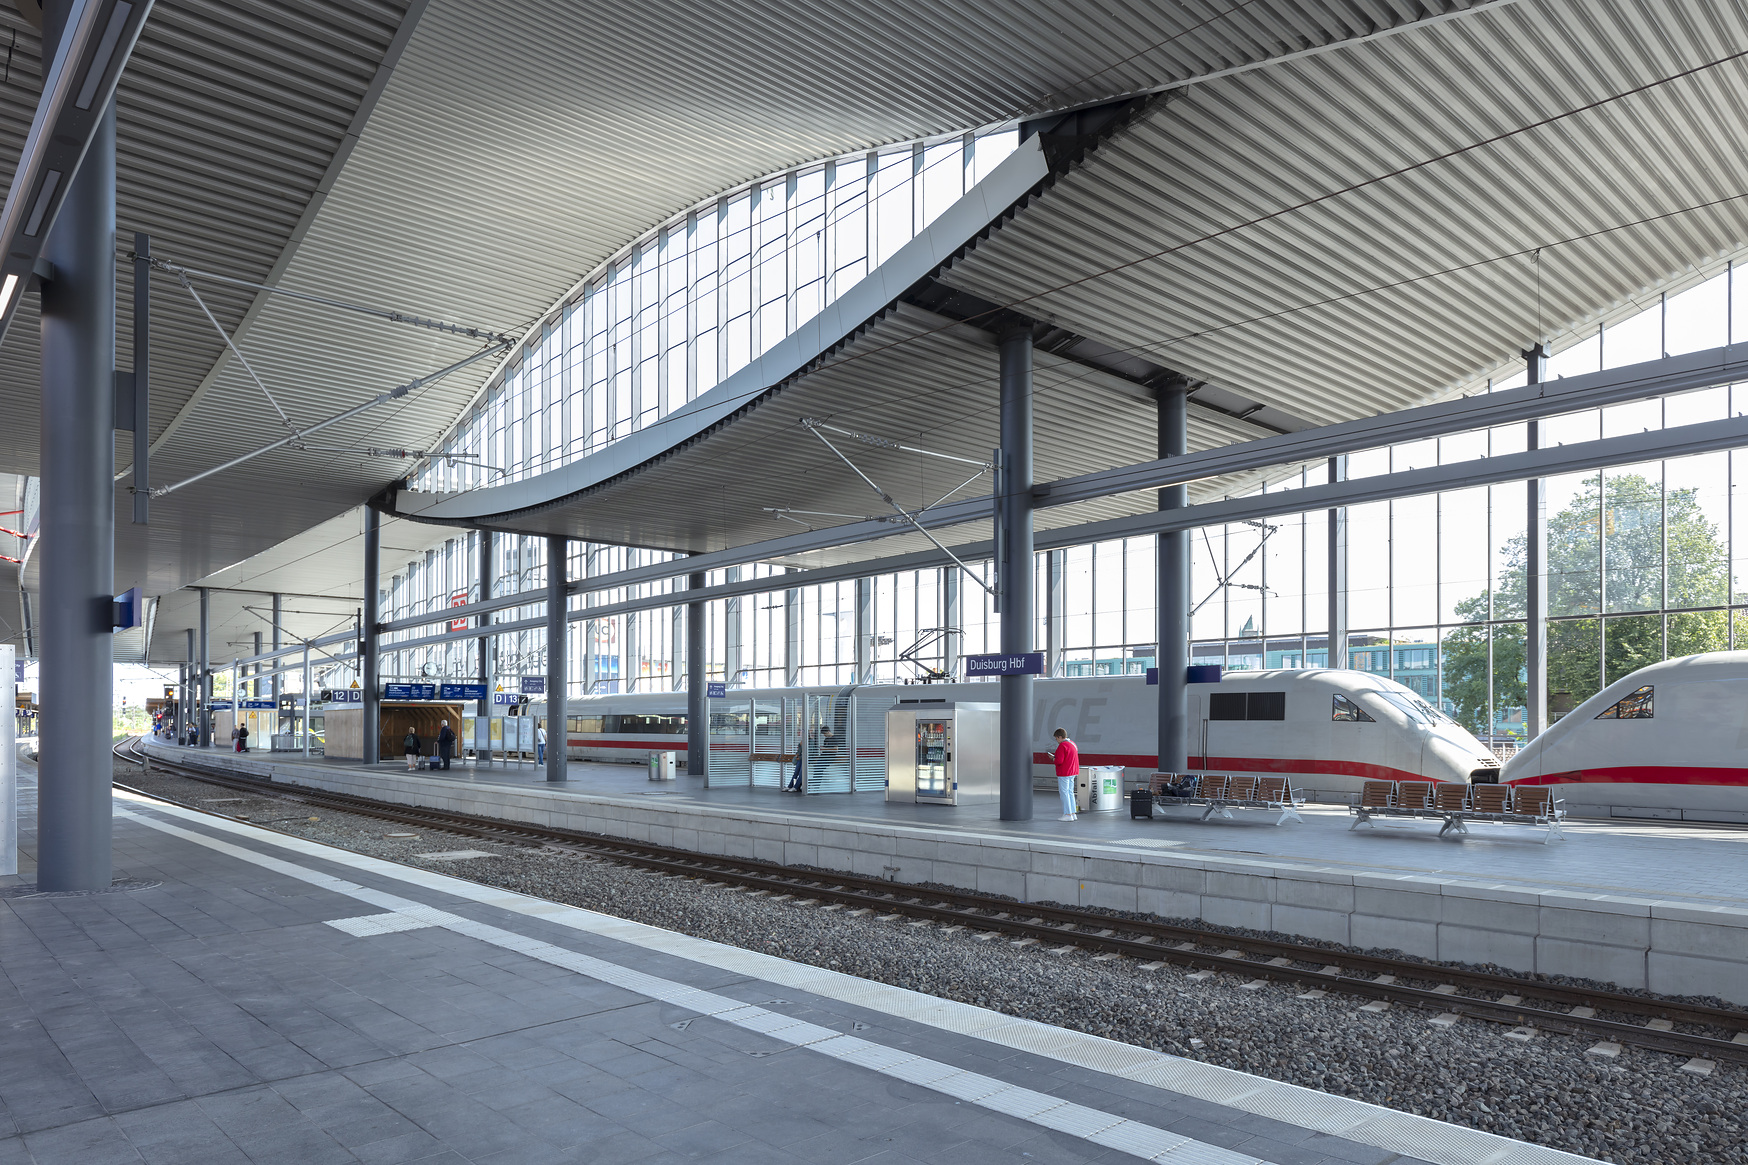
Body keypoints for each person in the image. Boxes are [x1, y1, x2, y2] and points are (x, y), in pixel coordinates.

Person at [1052, 727, 1080, 821]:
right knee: (1070, 792)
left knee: (1064, 793)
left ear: (1060, 737)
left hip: (1064, 772)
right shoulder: (1073, 744)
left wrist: (1053, 758)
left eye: (1056, 738)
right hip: (1073, 771)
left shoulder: (1062, 746)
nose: (1057, 741)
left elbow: (1059, 761)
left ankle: (1067, 814)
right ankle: (1073, 813)